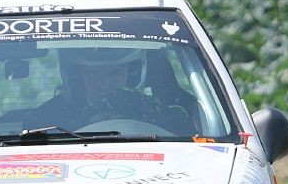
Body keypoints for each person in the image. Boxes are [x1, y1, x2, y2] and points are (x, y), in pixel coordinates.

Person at [28, 46, 186, 133]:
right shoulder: (46, 119)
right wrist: (79, 125)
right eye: (92, 74)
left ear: (132, 73)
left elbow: (185, 136)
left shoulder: (150, 108)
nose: (105, 83)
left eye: (115, 72)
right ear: (76, 77)